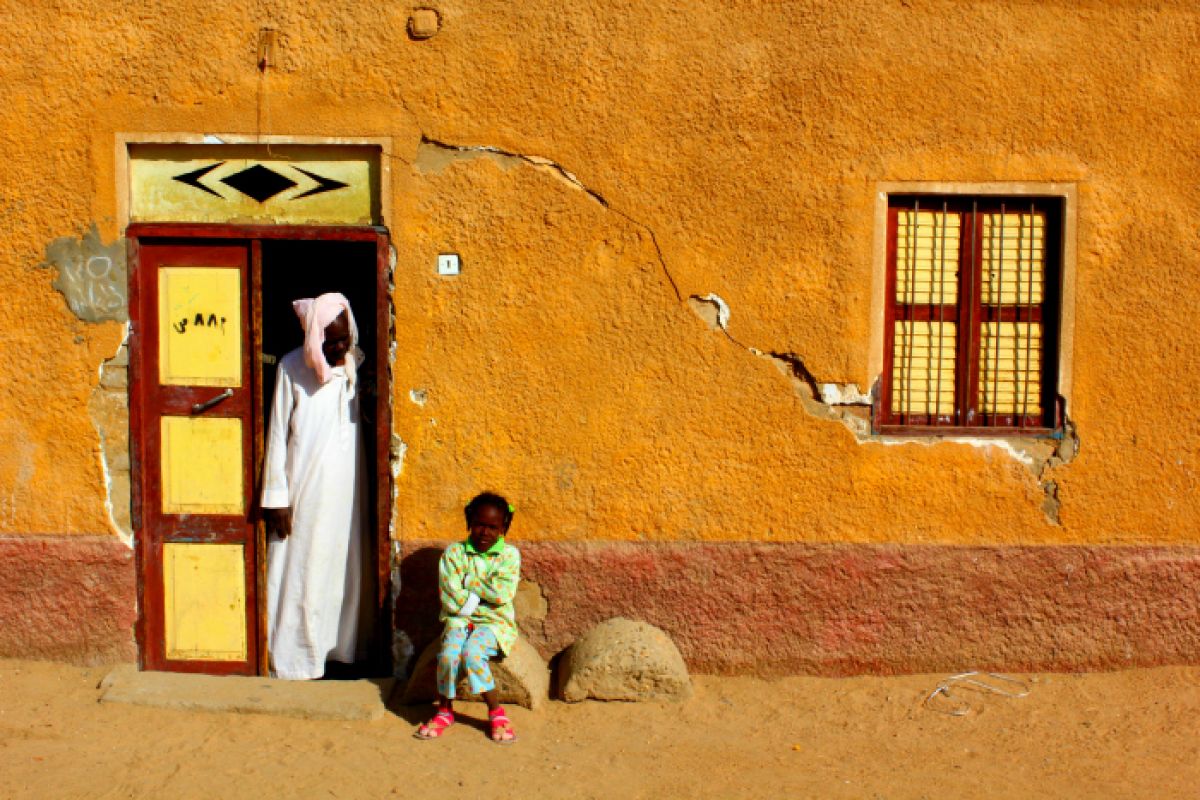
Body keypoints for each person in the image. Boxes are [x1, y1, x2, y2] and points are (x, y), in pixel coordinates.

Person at [261, 293, 367, 680]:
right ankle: (294, 658)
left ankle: (338, 649)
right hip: (304, 483)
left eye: (345, 338)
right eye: (332, 341)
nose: (340, 348)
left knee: (339, 563)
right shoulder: (291, 368)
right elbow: (276, 434)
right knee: (302, 564)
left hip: (346, 489)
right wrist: (276, 498)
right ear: (312, 338)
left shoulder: (356, 364)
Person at [416, 492, 521, 744]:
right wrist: (481, 593)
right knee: (449, 655)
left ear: (503, 527)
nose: (485, 532)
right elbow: (450, 596)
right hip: (459, 620)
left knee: (472, 653)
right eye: (479, 524)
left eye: (493, 527)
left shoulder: (508, 555)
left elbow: (503, 593)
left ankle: (495, 712)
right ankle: (445, 710)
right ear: (469, 523)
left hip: (494, 623)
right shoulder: (454, 554)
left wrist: (469, 583)